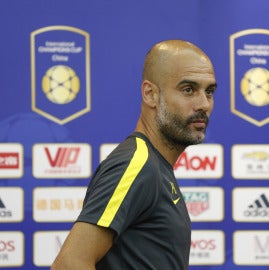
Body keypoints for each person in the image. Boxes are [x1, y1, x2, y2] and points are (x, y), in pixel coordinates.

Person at [51, 39, 217, 270]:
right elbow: (69, 264)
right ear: (150, 94)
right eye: (188, 90)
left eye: (209, 91)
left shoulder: (155, 166)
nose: (203, 104)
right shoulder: (137, 163)